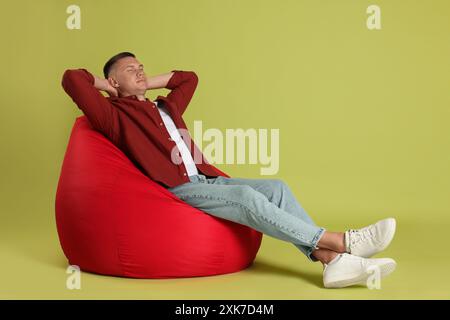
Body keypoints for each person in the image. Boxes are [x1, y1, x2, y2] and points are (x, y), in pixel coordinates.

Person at [61, 51, 397, 288]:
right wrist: (110, 88)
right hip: (176, 190)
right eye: (130, 68)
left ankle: (331, 262)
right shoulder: (113, 116)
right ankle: (341, 242)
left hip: (205, 179)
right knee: (245, 196)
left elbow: (188, 79)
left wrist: (144, 85)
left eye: (141, 66)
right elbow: (72, 79)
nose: (140, 71)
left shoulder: (166, 106)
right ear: (111, 80)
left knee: (277, 187)